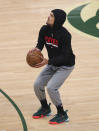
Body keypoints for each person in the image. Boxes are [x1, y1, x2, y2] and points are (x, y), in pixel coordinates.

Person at [30, 9, 75, 124]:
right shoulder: (44, 30)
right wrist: (36, 50)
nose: (48, 17)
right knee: (37, 84)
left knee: (51, 88)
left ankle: (62, 114)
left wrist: (47, 61)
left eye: (51, 16)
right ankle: (45, 108)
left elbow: (65, 57)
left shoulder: (65, 35)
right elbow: (40, 44)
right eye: (49, 15)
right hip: (52, 64)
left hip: (65, 66)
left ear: (58, 20)